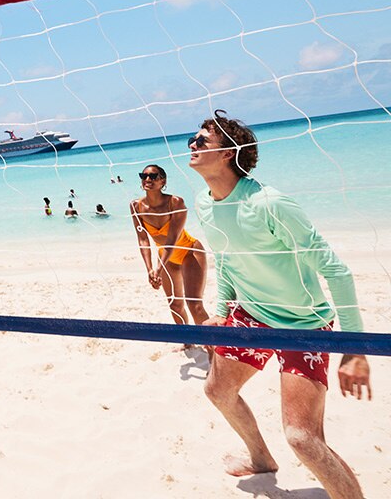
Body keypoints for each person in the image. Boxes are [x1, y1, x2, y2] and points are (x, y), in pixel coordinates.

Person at [188, 110, 370, 494]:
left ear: (226, 154)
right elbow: (225, 259)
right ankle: (261, 460)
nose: (192, 144)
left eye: (202, 140)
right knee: (217, 391)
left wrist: (354, 351)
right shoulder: (204, 203)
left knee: (302, 438)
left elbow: (336, 271)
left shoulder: (270, 203)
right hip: (251, 314)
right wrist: (221, 311)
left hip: (303, 324)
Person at [129, 165, 209, 329]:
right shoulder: (135, 206)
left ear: (163, 181)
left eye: (153, 176)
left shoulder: (175, 202)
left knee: (194, 304)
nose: (148, 179)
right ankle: (187, 342)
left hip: (189, 251)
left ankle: (212, 348)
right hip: (166, 257)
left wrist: (158, 268)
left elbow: (172, 239)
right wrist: (150, 269)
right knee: (175, 305)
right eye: (143, 176)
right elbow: (143, 239)